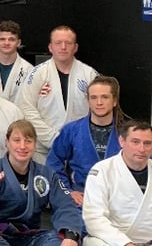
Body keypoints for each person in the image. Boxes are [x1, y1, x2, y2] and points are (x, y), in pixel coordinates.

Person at [15, 25, 98, 160]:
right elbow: (27, 109)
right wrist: (53, 138)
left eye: (68, 43)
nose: (63, 47)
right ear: (50, 47)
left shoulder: (89, 74)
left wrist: (77, 139)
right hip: (43, 149)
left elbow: (97, 110)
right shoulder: (37, 74)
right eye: (58, 43)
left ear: (75, 47)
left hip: (79, 147)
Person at [46, 75, 126, 209]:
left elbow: (142, 166)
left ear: (114, 101)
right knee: (68, 220)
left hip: (119, 201)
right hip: (81, 201)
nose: (99, 102)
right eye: (93, 97)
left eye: (105, 97)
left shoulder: (129, 134)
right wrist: (68, 191)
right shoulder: (71, 131)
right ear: (88, 101)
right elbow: (53, 163)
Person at [0, 21, 32, 101]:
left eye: (11, 39)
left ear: (18, 43)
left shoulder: (29, 70)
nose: (6, 43)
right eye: (2, 39)